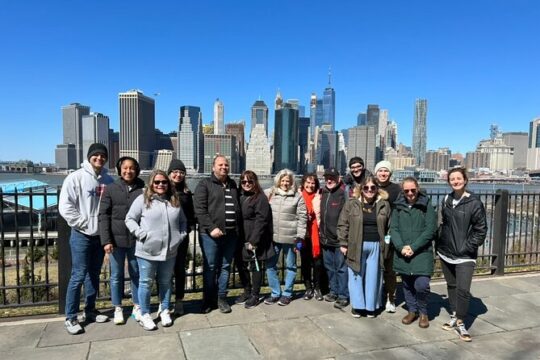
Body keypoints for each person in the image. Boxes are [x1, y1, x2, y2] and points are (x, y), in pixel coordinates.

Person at [59, 143, 114, 335]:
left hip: (100, 236)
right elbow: (65, 207)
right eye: (96, 155)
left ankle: (90, 311)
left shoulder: (109, 180)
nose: (99, 158)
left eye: (103, 156)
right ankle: (71, 317)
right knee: (78, 276)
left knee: (93, 275)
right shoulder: (76, 178)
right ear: (89, 157)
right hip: (81, 235)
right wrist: (83, 223)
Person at [125, 170, 187, 330]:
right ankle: (145, 313)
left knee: (166, 282)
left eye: (164, 182)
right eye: (157, 182)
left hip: (170, 250)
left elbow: (183, 222)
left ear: (168, 184)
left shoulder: (174, 200)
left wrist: (180, 237)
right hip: (147, 251)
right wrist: (141, 234)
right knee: (146, 283)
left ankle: (165, 309)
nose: (160, 185)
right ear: (151, 183)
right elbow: (130, 218)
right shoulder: (143, 199)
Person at [437, 167, 487, 342]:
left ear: (465, 180)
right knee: (451, 286)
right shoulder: (446, 199)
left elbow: (481, 230)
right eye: (452, 179)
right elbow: (444, 224)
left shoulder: (474, 202)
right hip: (445, 252)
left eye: (458, 178)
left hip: (465, 255)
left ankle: (461, 321)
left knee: (463, 290)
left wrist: (467, 247)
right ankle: (453, 315)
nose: (455, 181)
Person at [99, 156, 145, 325]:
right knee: (116, 275)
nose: (128, 171)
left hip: (136, 240)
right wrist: (106, 241)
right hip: (116, 242)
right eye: (125, 168)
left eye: (132, 168)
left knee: (136, 274)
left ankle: (137, 305)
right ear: (120, 170)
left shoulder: (143, 189)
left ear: (137, 170)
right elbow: (103, 215)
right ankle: (117, 307)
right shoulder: (111, 188)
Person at [194, 155, 242, 314]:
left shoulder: (233, 184)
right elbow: (200, 210)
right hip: (210, 235)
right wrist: (212, 227)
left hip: (230, 235)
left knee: (226, 267)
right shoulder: (204, 185)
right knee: (211, 267)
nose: (224, 167)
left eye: (226, 165)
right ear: (213, 167)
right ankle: (208, 300)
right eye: (220, 165)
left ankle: (221, 298)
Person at [337, 175, 391, 318]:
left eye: (373, 187)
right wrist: (343, 242)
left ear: (377, 189)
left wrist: (387, 242)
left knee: (374, 277)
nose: (369, 190)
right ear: (361, 189)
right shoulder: (352, 204)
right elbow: (343, 224)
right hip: (356, 244)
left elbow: (390, 227)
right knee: (355, 275)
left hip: (376, 246)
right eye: (366, 187)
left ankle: (371, 306)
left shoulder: (384, 204)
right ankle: (357, 306)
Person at [390, 177, 437, 328]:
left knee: (421, 284)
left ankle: (423, 311)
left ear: (418, 188)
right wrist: (400, 246)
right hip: (403, 250)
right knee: (407, 283)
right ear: (402, 191)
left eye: (413, 190)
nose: (410, 193)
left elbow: (431, 229)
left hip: (421, 251)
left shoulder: (426, 204)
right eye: (406, 191)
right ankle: (412, 310)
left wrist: (414, 247)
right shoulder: (398, 206)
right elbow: (394, 229)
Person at [264, 169, 307, 306]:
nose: (285, 183)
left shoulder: (298, 197)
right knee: (270, 266)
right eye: (283, 180)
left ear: (292, 182)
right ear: (278, 181)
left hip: (291, 238)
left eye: (288, 181)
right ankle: (275, 293)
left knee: (291, 267)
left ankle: (287, 294)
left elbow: (302, 218)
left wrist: (300, 237)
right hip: (274, 237)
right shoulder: (271, 194)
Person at [238, 170, 274, 308]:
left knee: (255, 266)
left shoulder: (260, 198)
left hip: (254, 237)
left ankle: (255, 294)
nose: (247, 184)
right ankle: (247, 291)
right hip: (241, 236)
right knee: (241, 264)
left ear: (255, 182)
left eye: (250, 181)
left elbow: (262, 220)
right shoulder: (241, 196)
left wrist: (253, 241)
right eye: (244, 181)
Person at [167, 159, 195, 316]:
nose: (178, 175)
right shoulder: (162, 191)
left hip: (182, 238)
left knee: (179, 270)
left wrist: (187, 230)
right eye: (175, 172)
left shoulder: (186, 194)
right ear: (170, 173)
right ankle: (164, 301)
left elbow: (191, 216)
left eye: (181, 172)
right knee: (164, 271)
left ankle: (178, 300)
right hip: (164, 239)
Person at [373, 160, 401, 314]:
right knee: (374, 269)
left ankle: (391, 298)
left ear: (390, 173)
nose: (383, 174)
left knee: (390, 270)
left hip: (390, 233)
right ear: (376, 173)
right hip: (373, 234)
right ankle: (376, 297)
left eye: (386, 171)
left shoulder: (397, 189)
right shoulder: (371, 187)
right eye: (380, 171)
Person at [319, 168, 349, 309]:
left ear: (338, 178)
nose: (329, 180)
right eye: (327, 178)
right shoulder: (324, 192)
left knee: (341, 268)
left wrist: (344, 240)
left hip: (339, 241)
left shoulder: (343, 194)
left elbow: (347, 218)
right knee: (330, 267)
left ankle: (343, 295)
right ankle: (334, 291)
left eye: (332, 177)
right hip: (325, 239)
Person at [299, 173, 324, 301]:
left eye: (313, 183)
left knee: (318, 263)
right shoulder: (298, 195)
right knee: (305, 263)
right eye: (308, 183)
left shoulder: (320, 196)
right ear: (303, 183)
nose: (310, 185)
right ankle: (308, 288)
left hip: (316, 234)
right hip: (303, 235)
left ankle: (318, 288)